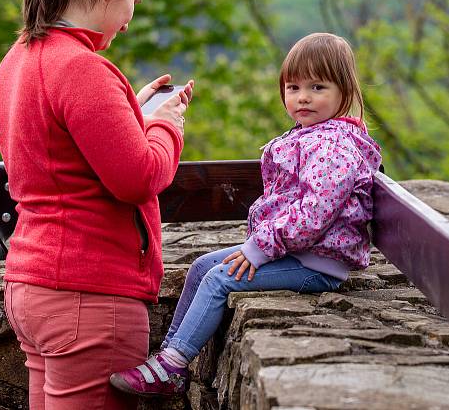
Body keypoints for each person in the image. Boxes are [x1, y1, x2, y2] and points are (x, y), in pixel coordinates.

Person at [109, 32, 382, 397]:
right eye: (293, 86)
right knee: (203, 266)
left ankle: (173, 366)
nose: (302, 97)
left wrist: (261, 247)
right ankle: (169, 356)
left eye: (318, 87)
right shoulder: (311, 134)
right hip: (295, 251)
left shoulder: (332, 145)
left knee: (221, 279)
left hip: (317, 263)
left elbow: (313, 213)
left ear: (344, 90)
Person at [0, 0, 194, 409]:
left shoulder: (17, 59)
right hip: (89, 295)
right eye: (133, 3)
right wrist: (165, 126)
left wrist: (131, 115)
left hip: (33, 285)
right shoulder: (82, 67)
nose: (127, 21)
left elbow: (63, 156)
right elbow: (138, 177)